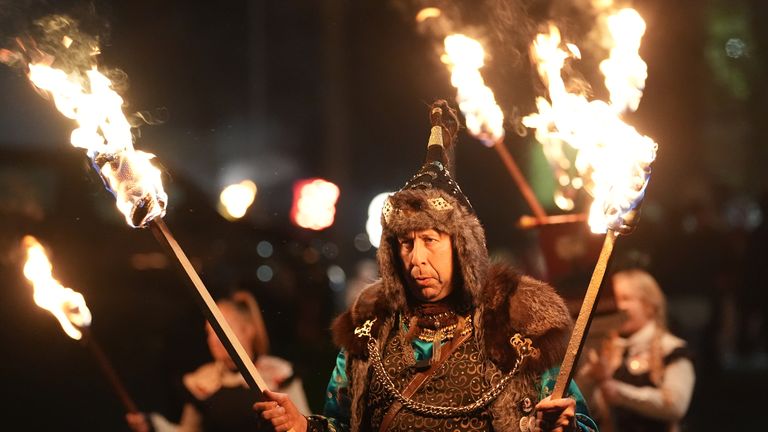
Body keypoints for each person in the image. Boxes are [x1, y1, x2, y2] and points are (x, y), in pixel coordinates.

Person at [254, 100, 598, 432]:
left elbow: (574, 420)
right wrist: (303, 426)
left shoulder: (519, 328)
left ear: (461, 247)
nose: (416, 257)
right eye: (406, 243)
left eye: (430, 240)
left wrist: (566, 428)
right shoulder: (371, 332)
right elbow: (342, 425)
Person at [127, 290, 310, 432]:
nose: (213, 339)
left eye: (221, 329)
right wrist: (152, 425)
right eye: (209, 332)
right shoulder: (203, 382)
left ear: (248, 331)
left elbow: (304, 425)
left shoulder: (279, 374)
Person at [576, 269, 695, 432]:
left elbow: (675, 406)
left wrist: (620, 393)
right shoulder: (607, 349)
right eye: (614, 300)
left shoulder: (671, 349)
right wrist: (591, 379)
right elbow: (587, 408)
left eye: (625, 299)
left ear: (649, 305)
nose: (617, 307)